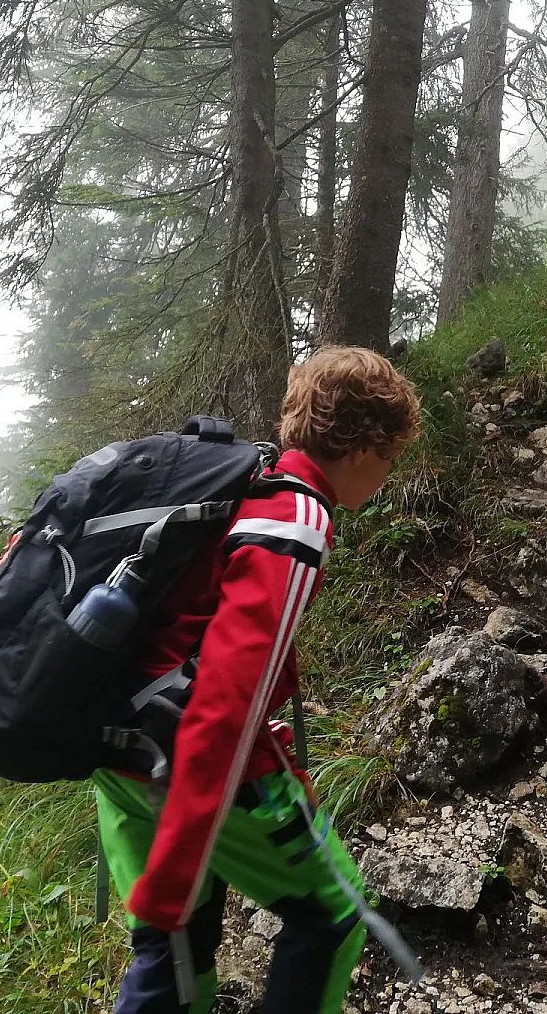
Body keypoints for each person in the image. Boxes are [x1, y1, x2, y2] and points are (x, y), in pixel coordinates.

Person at [94, 346, 422, 1013]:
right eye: (391, 458)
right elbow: (227, 700)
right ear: (365, 447)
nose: (387, 474)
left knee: (175, 954)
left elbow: (189, 642)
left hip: (117, 747)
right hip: (188, 762)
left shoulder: (248, 485)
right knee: (332, 919)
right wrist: (182, 858)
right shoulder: (296, 520)